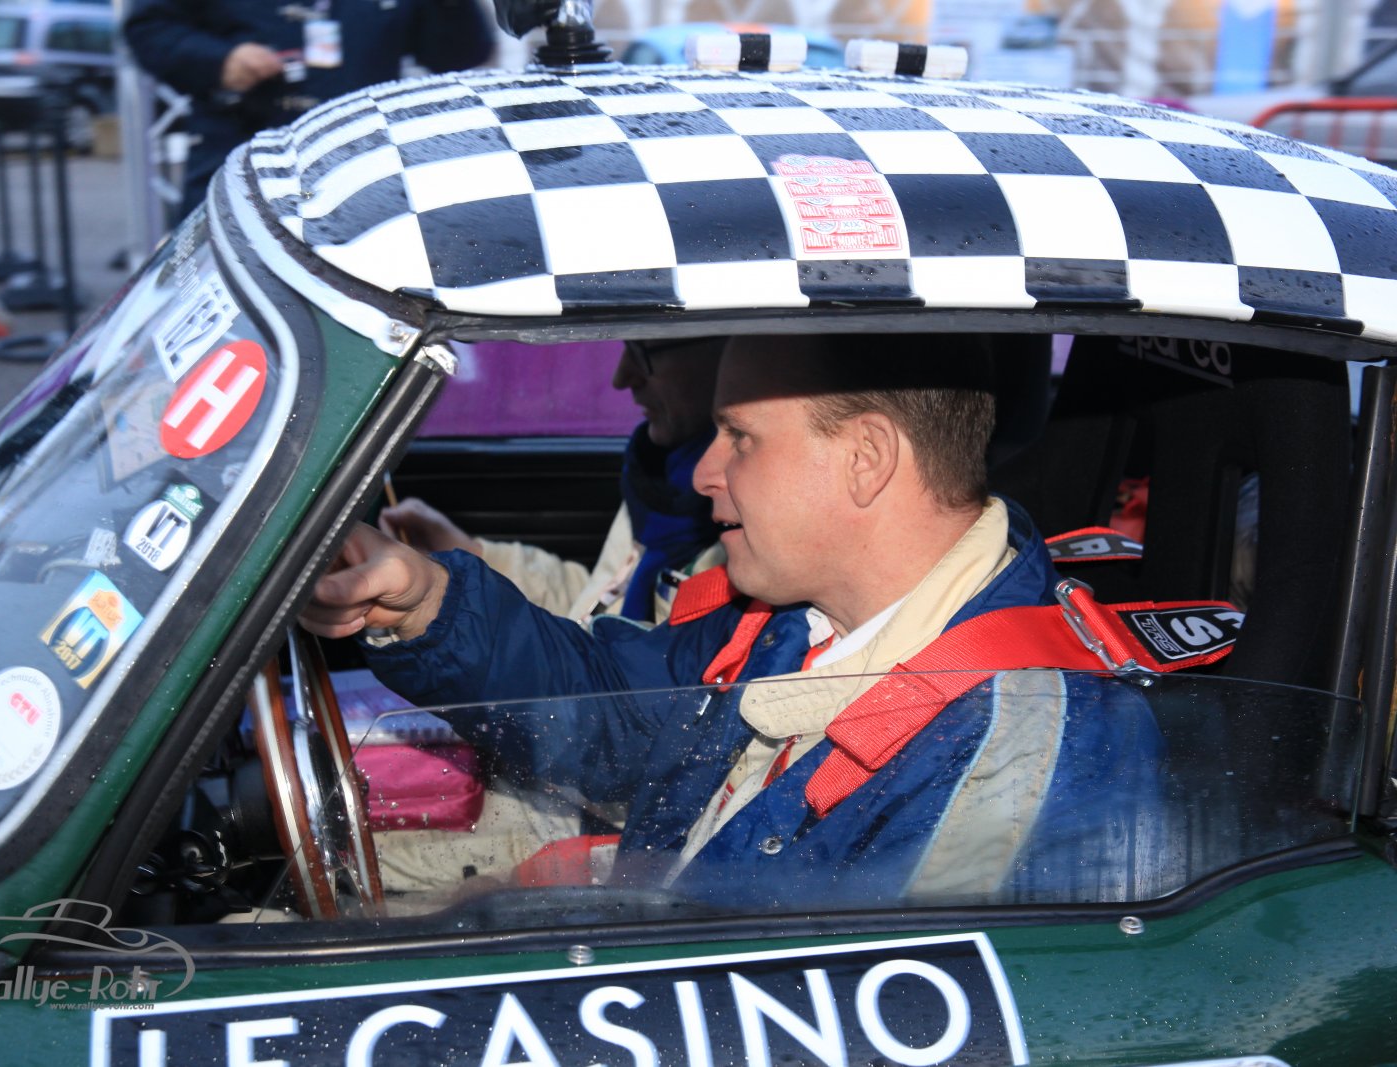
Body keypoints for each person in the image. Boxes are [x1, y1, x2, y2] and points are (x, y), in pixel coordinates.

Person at [302, 333, 1165, 906]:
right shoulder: (792, 619)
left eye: (740, 437)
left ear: (866, 459)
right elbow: (610, 714)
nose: (704, 472)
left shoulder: (1014, 762)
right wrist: (429, 602)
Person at [381, 337, 726, 623]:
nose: (621, 377)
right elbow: (597, 605)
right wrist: (472, 559)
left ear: (732, 352)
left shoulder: (732, 519)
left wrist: (431, 599)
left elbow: (631, 666)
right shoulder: (662, 475)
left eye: (644, 352)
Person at [122, 0, 495, 217]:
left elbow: (460, 53)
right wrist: (220, 59)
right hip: (238, 156)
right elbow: (149, 29)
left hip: (363, 168)